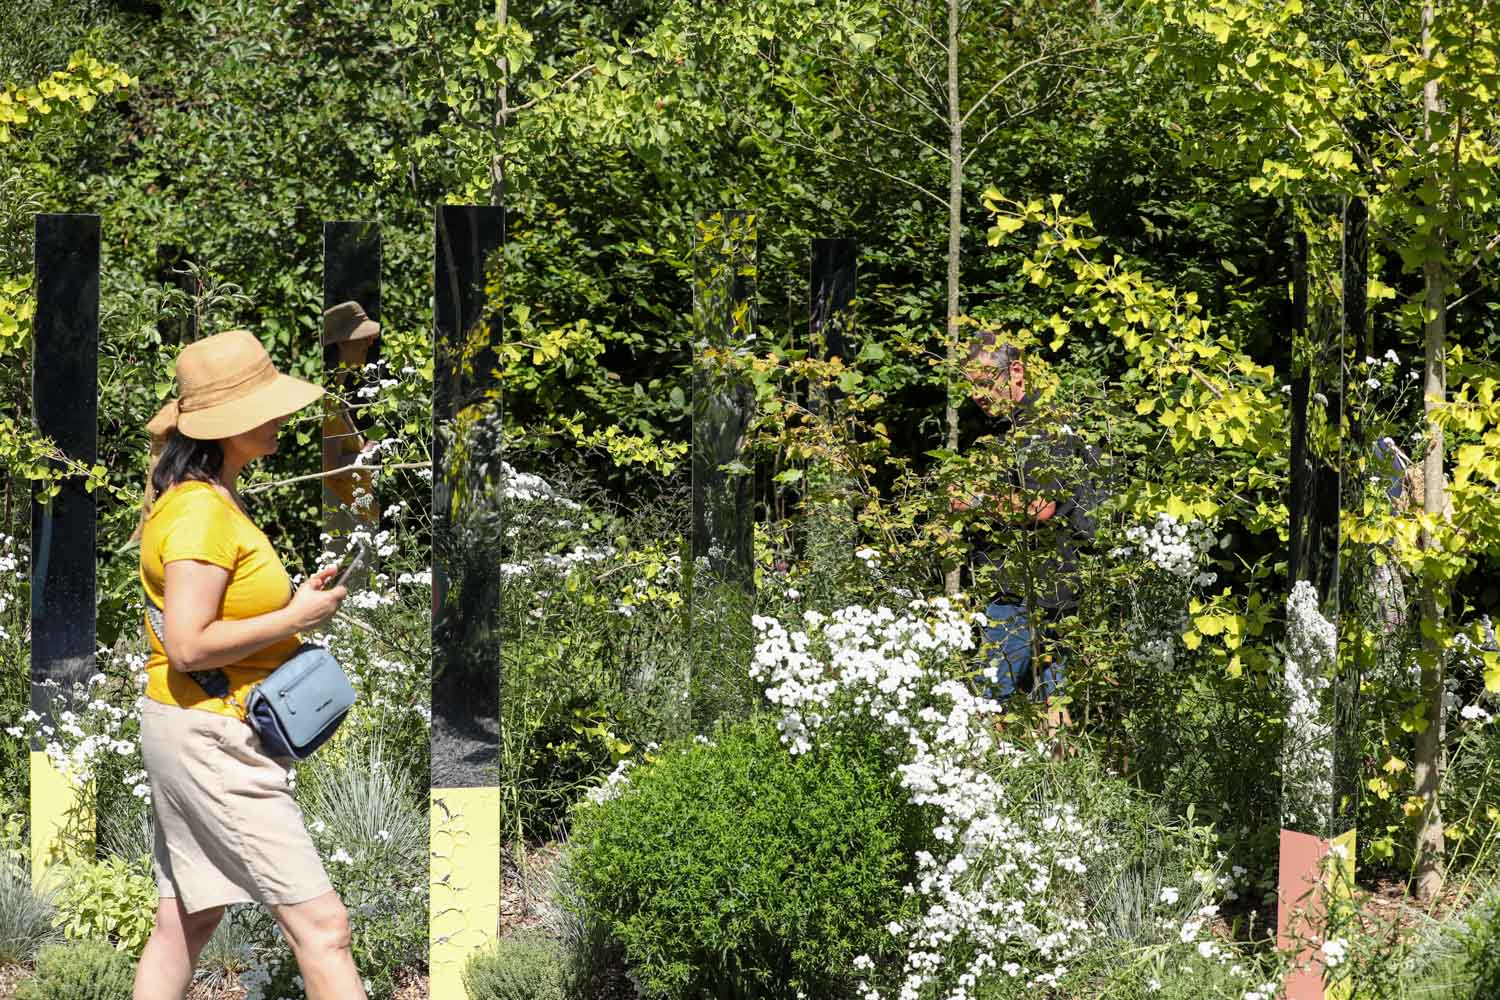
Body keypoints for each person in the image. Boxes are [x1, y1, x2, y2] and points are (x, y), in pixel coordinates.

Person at [129, 329, 366, 1000]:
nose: (281, 417)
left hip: (194, 726)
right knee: (323, 928)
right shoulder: (202, 512)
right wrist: (295, 620)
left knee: (185, 921)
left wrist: (292, 603)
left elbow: (214, 621)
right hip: (214, 738)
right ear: (221, 427)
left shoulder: (209, 497)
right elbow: (189, 644)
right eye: (265, 407)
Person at [954, 334, 1100, 710]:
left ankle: (981, 767)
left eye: (984, 383)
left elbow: (1039, 507)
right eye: (971, 386)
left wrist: (974, 500)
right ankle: (1059, 769)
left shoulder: (1038, 428)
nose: (977, 395)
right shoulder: (1005, 429)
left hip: (1025, 588)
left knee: (991, 698)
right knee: (1052, 700)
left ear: (1015, 371)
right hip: (1052, 583)